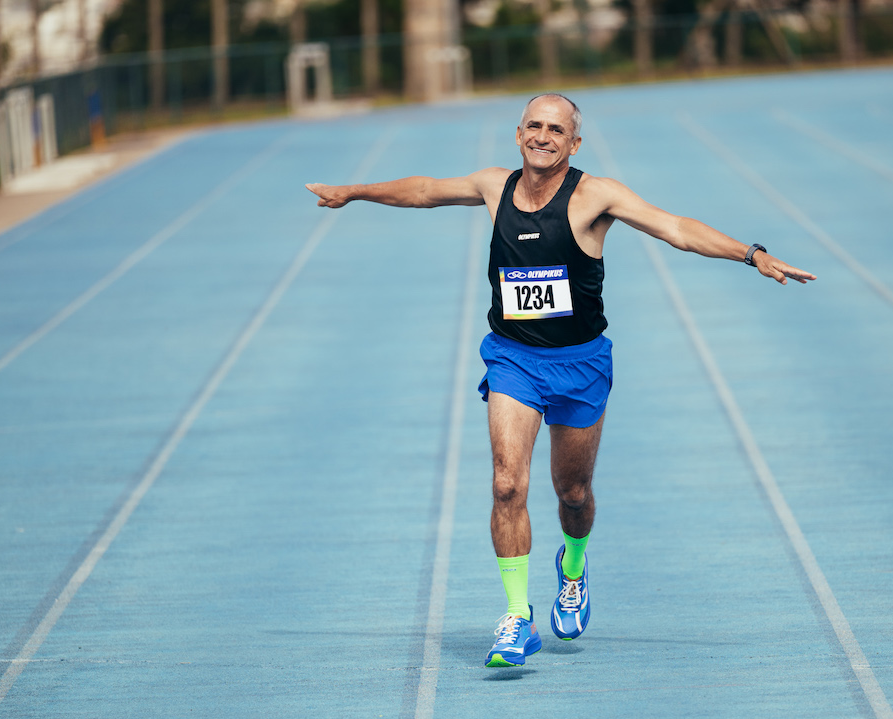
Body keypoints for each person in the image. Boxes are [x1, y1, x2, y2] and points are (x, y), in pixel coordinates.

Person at [306, 93, 815, 669]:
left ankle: (572, 569)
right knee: (506, 484)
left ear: (573, 143)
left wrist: (751, 253)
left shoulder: (596, 195)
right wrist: (355, 191)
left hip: (580, 364)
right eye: (534, 125)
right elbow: (424, 190)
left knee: (573, 493)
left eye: (555, 129)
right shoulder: (493, 186)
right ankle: (516, 617)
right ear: (518, 133)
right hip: (513, 359)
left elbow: (675, 227)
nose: (542, 136)